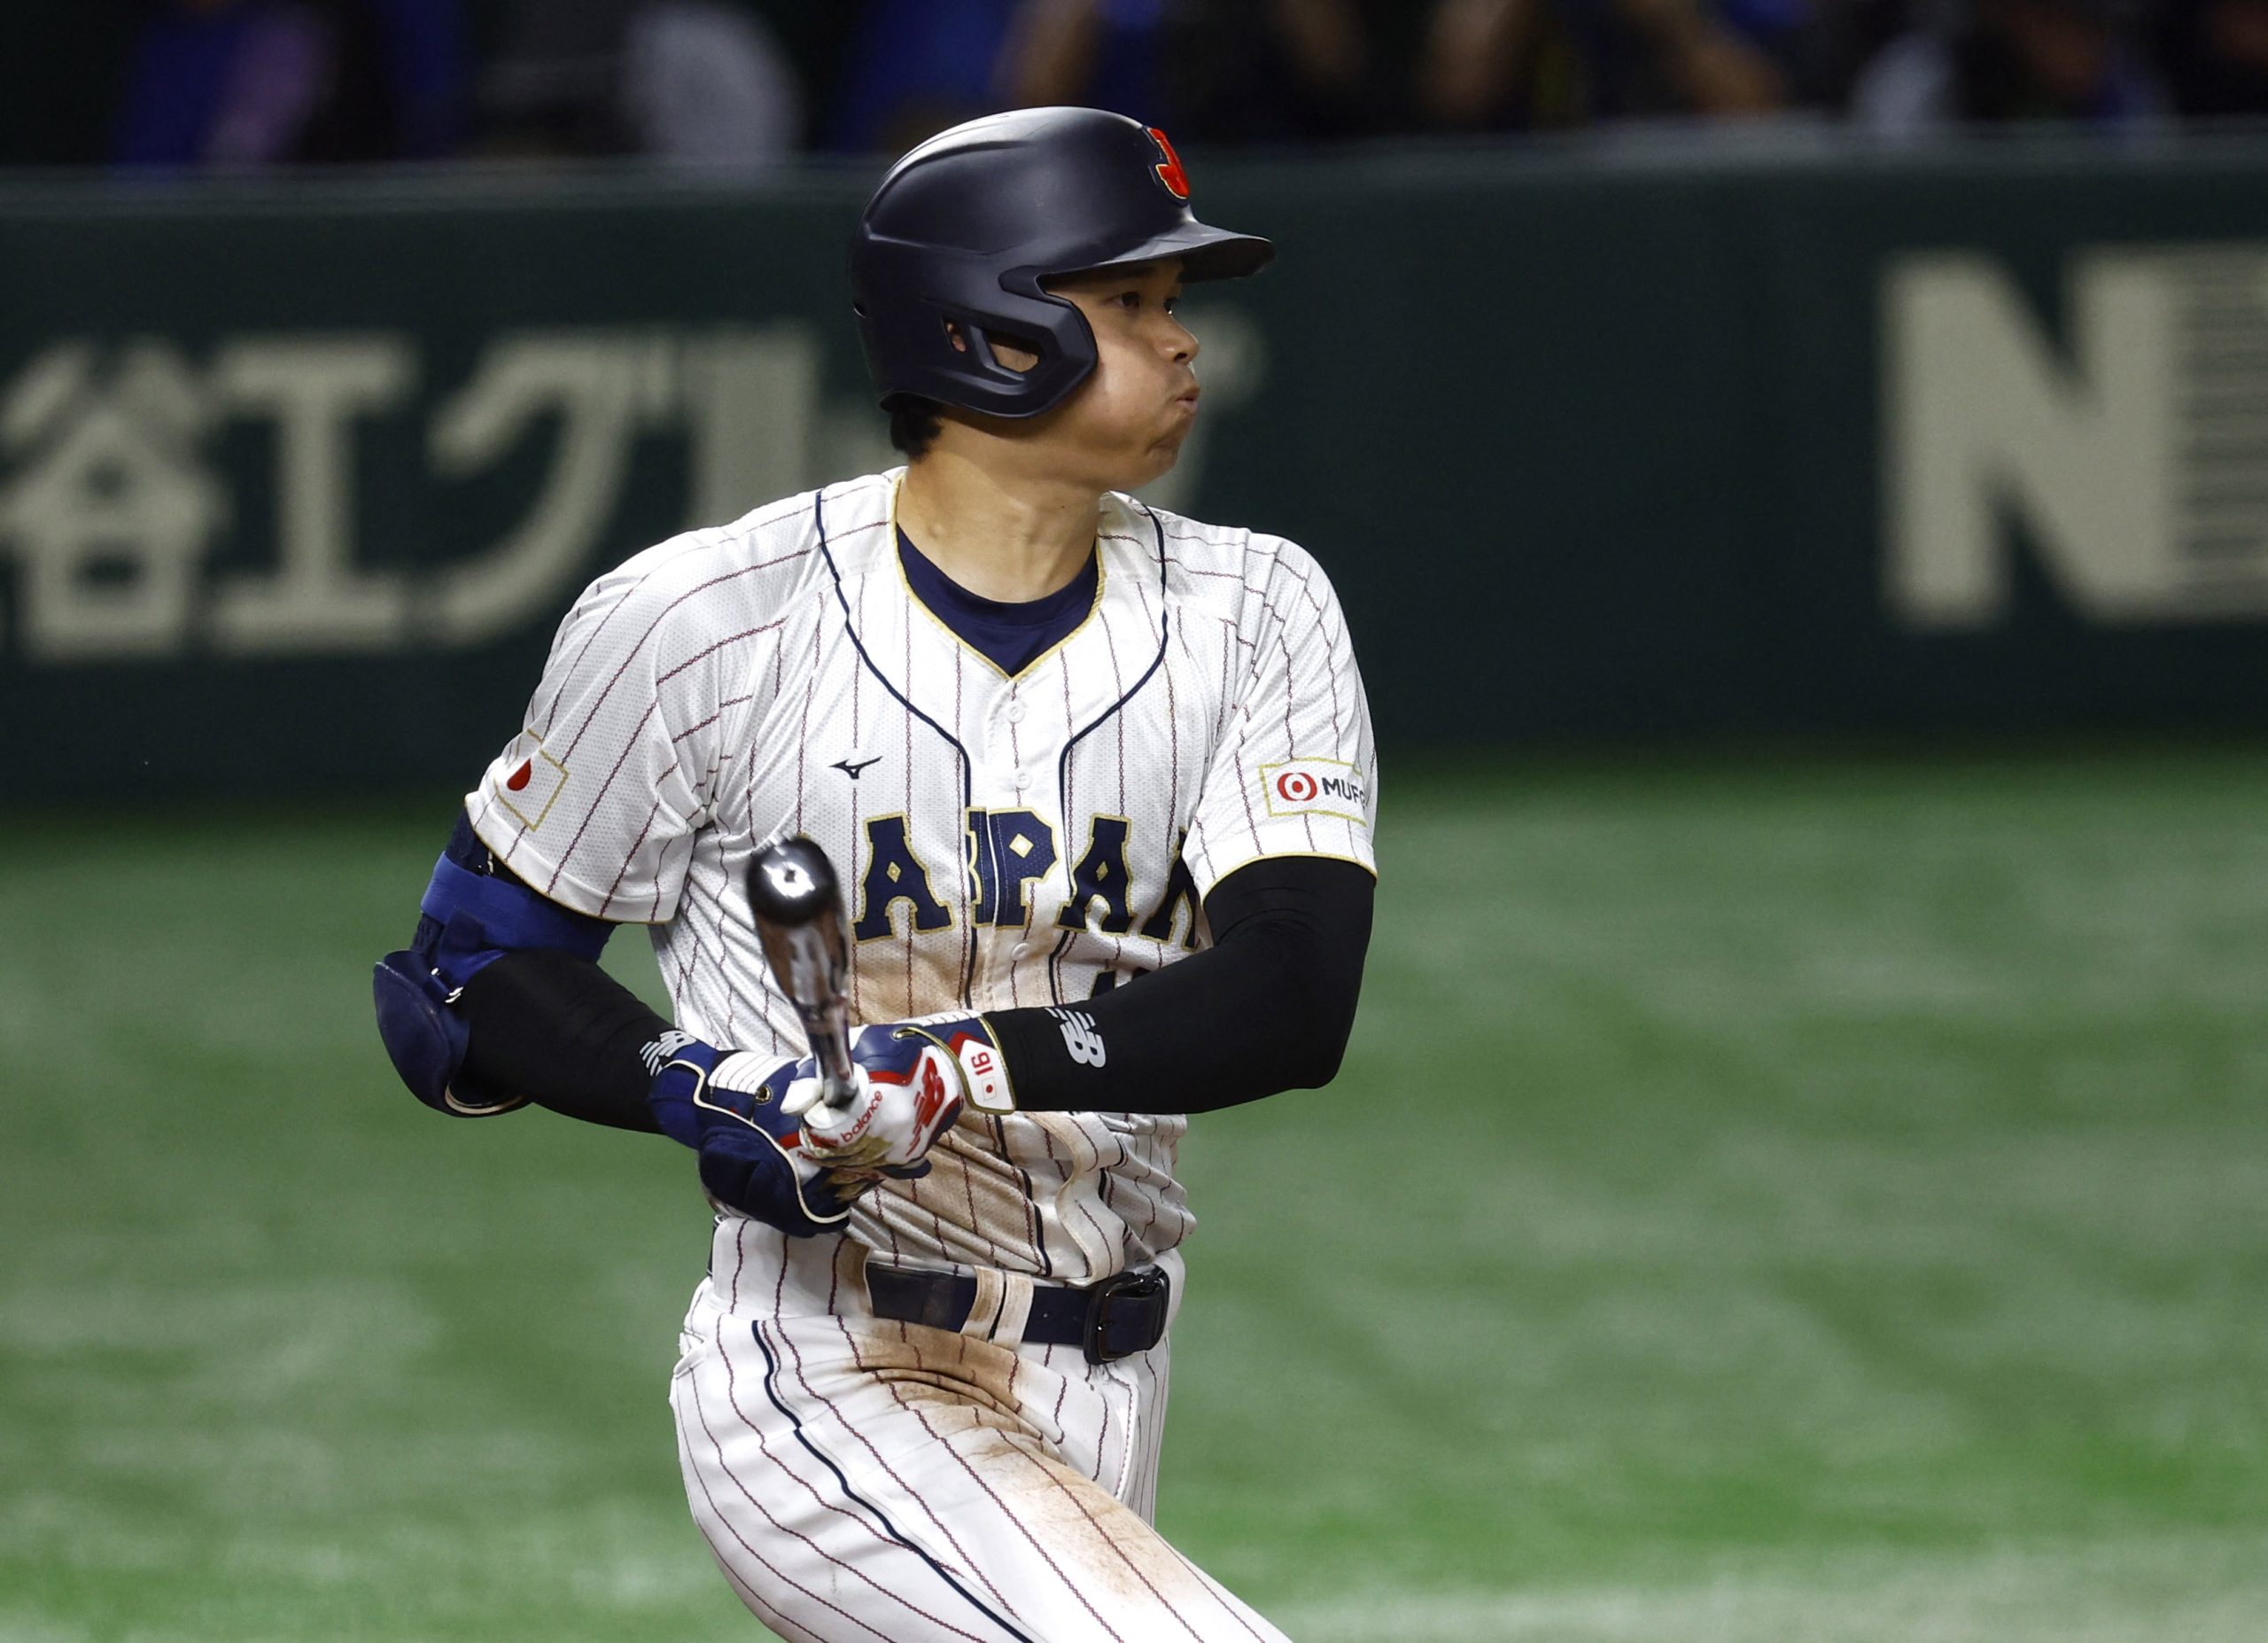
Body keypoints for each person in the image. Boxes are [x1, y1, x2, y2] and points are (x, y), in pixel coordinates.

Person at [373, 105, 1378, 1640]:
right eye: (1132, 303)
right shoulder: (706, 621)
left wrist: (961, 1063)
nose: (1184, 346)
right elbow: (460, 981)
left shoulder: (1259, 611)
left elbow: (1292, 999)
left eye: (1176, 306)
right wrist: (715, 1092)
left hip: (1107, 1375)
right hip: (827, 1373)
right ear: (989, 328)